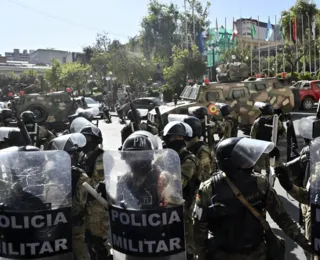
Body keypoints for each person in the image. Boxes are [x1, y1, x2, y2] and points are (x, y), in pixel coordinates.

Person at [193, 137, 313, 260]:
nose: (249, 161)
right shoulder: (208, 189)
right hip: (223, 254)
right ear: (230, 163)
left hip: (256, 252)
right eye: (243, 158)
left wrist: (307, 244)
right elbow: (199, 229)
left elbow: (282, 217)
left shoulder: (260, 183)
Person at [49, 133, 91, 260]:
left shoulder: (46, 174)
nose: (73, 156)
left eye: (73, 153)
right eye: (70, 153)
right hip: (71, 228)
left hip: (55, 228)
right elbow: (85, 202)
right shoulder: (79, 175)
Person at [163, 121, 199, 260]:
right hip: (166, 207)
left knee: (187, 244)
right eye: (173, 138)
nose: (177, 141)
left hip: (185, 207)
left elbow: (178, 183)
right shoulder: (163, 156)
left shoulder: (189, 159)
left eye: (180, 138)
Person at [250, 103, 284, 174]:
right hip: (272, 148)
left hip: (260, 149)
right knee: (271, 168)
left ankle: (259, 182)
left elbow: (252, 137)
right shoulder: (276, 120)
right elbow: (282, 131)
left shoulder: (257, 122)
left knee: (257, 170)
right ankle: (270, 182)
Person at [184, 116, 215, 182]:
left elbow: (206, 176)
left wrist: (189, 170)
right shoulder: (187, 146)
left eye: (184, 130)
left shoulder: (202, 150)